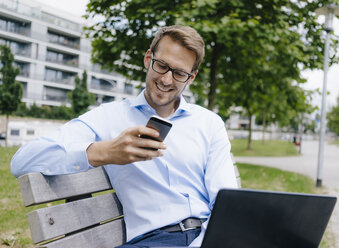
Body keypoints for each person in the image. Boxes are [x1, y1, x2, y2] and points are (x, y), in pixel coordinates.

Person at [11, 25, 237, 247]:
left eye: (179, 73)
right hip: (152, 240)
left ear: (192, 77)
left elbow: (226, 200)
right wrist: (103, 152)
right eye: (161, 66)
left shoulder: (209, 123)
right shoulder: (108, 117)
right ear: (148, 59)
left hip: (211, 236)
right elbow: (22, 161)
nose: (167, 80)